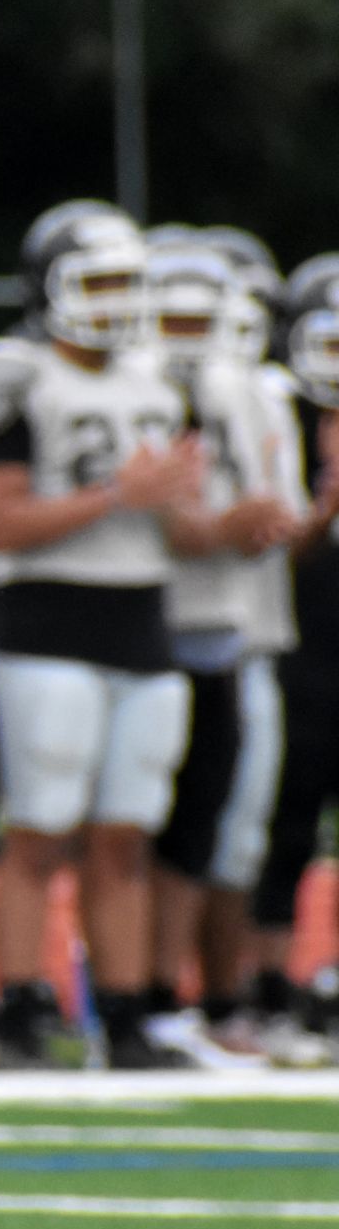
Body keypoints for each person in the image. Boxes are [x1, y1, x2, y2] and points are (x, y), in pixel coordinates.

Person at [0, 200, 204, 1069]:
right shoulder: (17, 379)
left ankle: (125, 1009)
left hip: (144, 621)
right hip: (47, 620)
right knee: (41, 827)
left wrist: (228, 517)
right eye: (97, 282)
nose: (115, 301)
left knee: (127, 833)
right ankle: (19, 1002)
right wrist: (114, 496)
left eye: (127, 283)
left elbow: (179, 527)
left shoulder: (160, 386)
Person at [139, 244, 298, 1066]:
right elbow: (175, 521)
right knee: (137, 828)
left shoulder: (248, 393)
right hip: (143, 631)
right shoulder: (137, 388)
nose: (191, 339)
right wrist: (230, 528)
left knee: (209, 825)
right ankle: (145, 1001)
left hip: (222, 634)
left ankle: (179, 1001)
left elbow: (276, 518)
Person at [249, 254, 339, 1058]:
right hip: (299, 651)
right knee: (283, 826)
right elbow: (275, 548)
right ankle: (269, 988)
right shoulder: (276, 412)